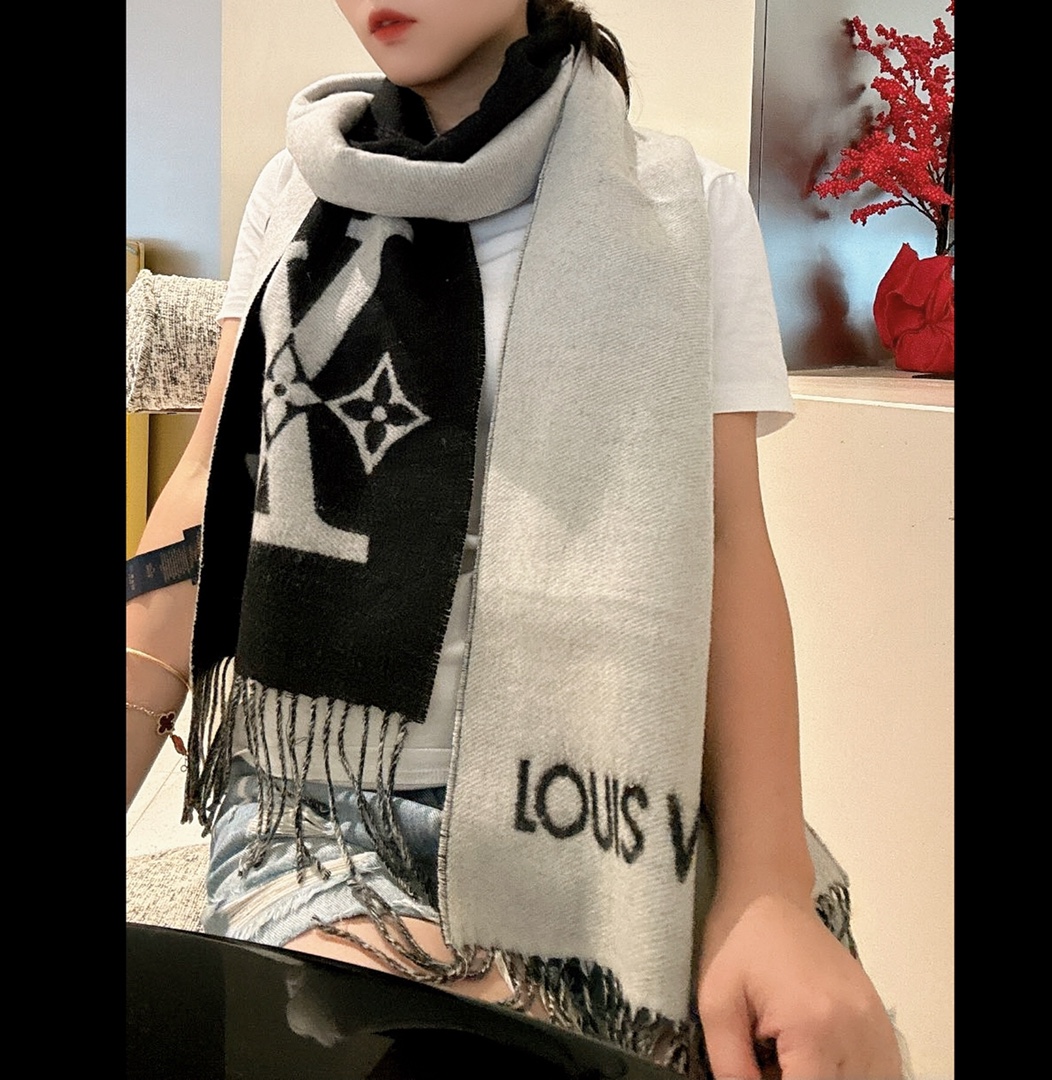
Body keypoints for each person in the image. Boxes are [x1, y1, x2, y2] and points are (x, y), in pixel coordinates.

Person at [126, 3, 905, 1077]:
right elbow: (203, 499)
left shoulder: (684, 208)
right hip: (319, 813)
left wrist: (767, 888)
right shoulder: (296, 189)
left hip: (605, 820)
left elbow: (727, 543)